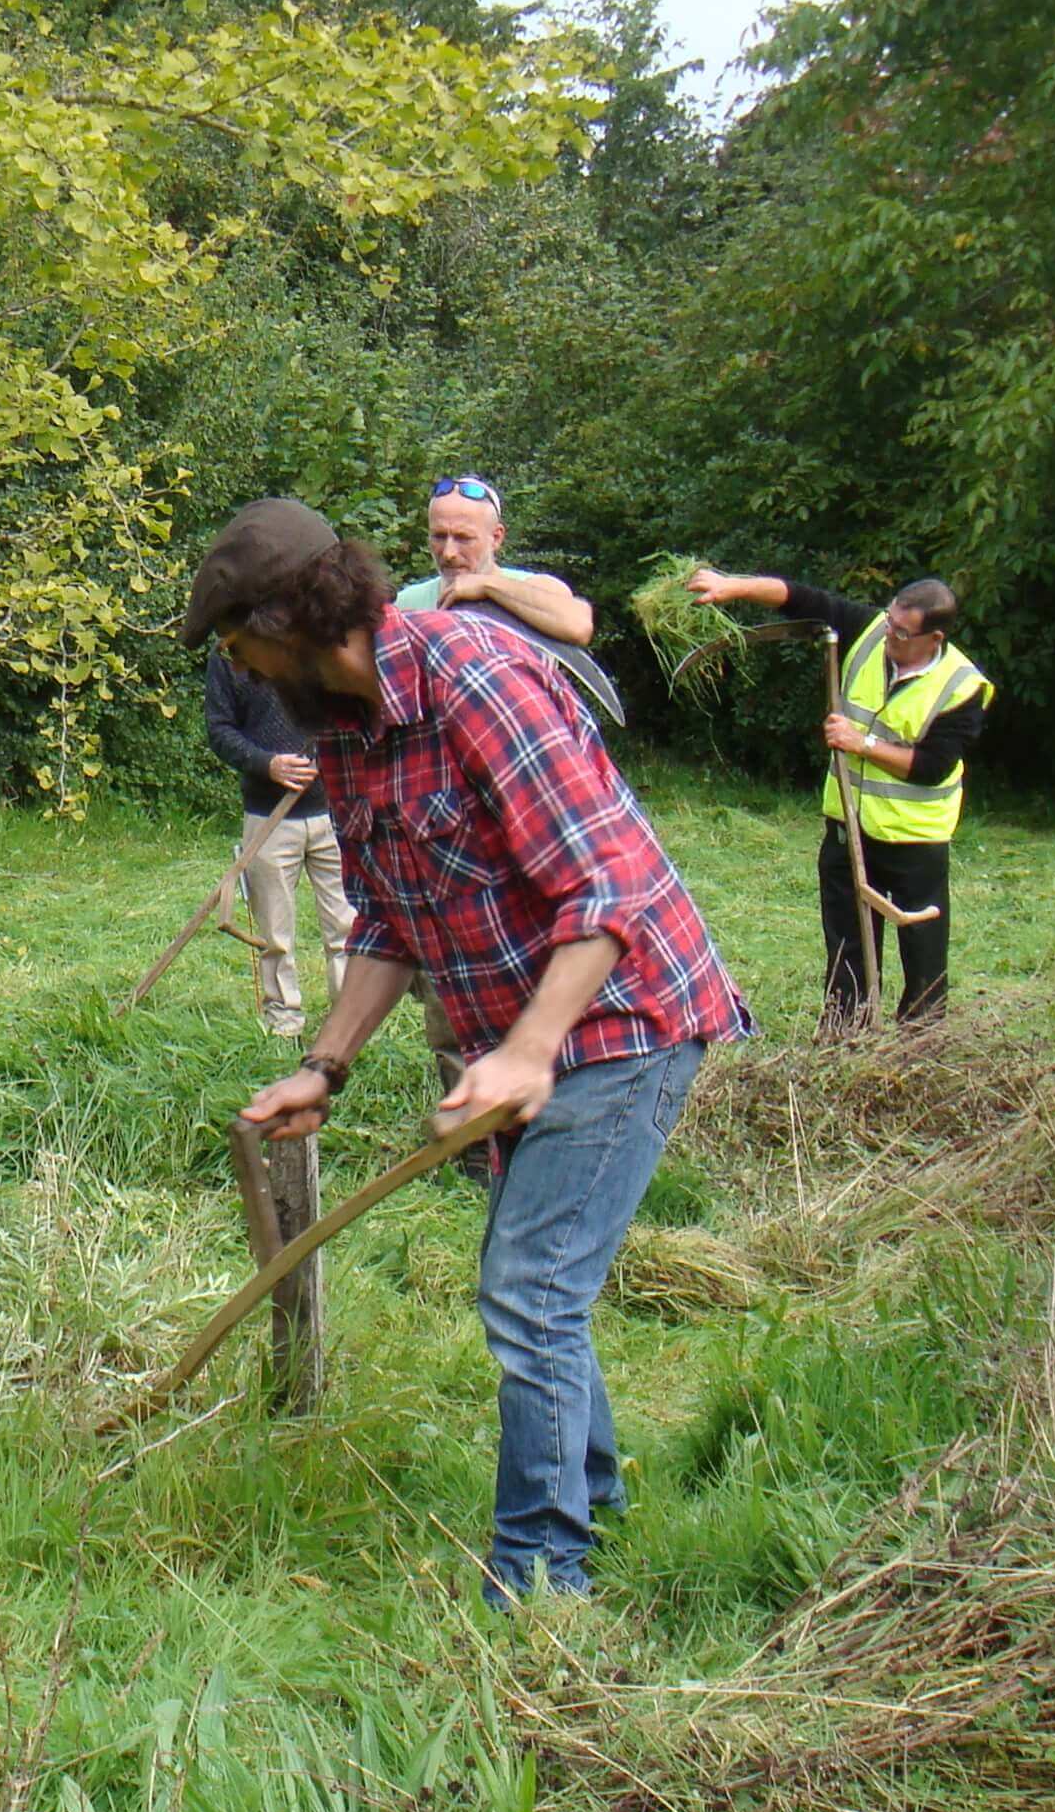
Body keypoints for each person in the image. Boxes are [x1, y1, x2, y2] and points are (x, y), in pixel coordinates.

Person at [182, 498, 752, 1610]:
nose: (237, 665)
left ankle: (544, 1580)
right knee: (538, 1281)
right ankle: (594, 1501)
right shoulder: (340, 731)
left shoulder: (473, 677)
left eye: (235, 639)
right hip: (521, 1033)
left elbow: (605, 890)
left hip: (623, 1014)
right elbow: (390, 920)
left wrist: (531, 1052)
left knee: (529, 1288)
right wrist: (326, 1065)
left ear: (287, 619)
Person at [684, 564, 993, 1024]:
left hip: (915, 841)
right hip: (849, 830)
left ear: (935, 638)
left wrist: (861, 743)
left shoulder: (961, 686)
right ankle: (843, 1042)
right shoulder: (870, 633)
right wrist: (733, 586)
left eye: (903, 633)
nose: (891, 636)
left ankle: (923, 1052)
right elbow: (799, 596)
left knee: (923, 958)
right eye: (890, 622)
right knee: (847, 949)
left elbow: (931, 768)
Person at [202, 645, 347, 1038]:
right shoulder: (230, 650)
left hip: (336, 813)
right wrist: (267, 764)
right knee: (275, 935)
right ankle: (284, 1021)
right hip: (268, 815)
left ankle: (348, 1023)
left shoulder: (319, 634)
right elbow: (219, 729)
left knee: (346, 928)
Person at [392, 474, 597, 645]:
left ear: (496, 537)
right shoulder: (405, 605)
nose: (448, 553)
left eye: (464, 538)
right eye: (439, 536)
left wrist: (487, 586)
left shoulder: (536, 588)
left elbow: (579, 626)